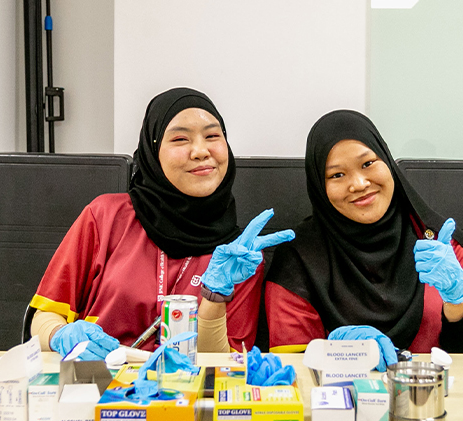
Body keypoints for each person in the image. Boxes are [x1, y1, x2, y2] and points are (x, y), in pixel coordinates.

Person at [30, 87, 293, 358]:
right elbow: (42, 319)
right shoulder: (105, 217)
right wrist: (60, 335)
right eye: (180, 139)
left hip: (185, 393)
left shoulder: (240, 255)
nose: (201, 151)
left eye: (213, 136)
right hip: (96, 386)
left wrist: (215, 298)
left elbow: (224, 360)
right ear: (153, 151)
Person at [266, 110, 463, 354]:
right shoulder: (297, 260)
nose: (359, 184)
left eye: (368, 164)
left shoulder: (441, 243)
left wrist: (458, 300)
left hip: (429, 390)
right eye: (337, 175)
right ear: (320, 186)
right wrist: (341, 352)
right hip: (339, 390)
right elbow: (293, 367)